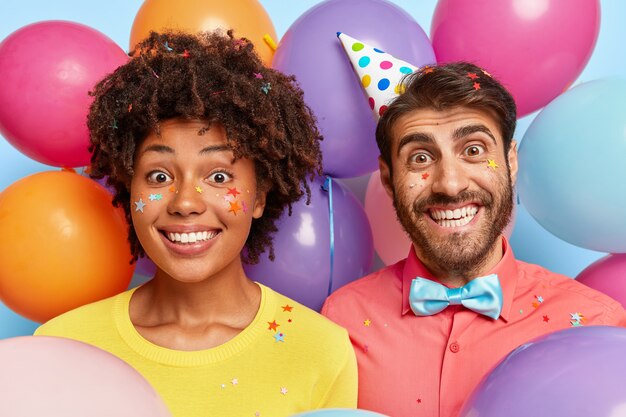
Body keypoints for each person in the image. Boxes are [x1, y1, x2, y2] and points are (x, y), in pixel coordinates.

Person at [35, 30, 357, 417]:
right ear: (127, 187)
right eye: (158, 176)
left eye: (219, 177)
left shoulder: (321, 350)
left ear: (259, 197)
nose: (185, 202)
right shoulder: (62, 345)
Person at [321, 62, 626, 417]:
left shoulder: (594, 323)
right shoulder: (340, 322)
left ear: (510, 162)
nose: (450, 184)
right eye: (420, 157)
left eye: (474, 150)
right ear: (388, 179)